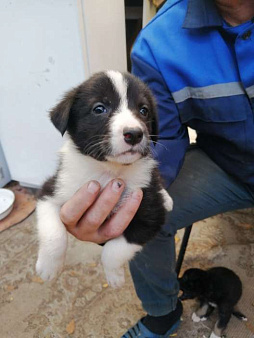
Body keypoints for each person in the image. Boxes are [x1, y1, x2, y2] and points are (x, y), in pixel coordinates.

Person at [60, 0, 254, 337]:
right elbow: (162, 141)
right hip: (230, 166)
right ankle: (163, 313)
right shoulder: (156, 45)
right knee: (140, 216)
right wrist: (120, 198)